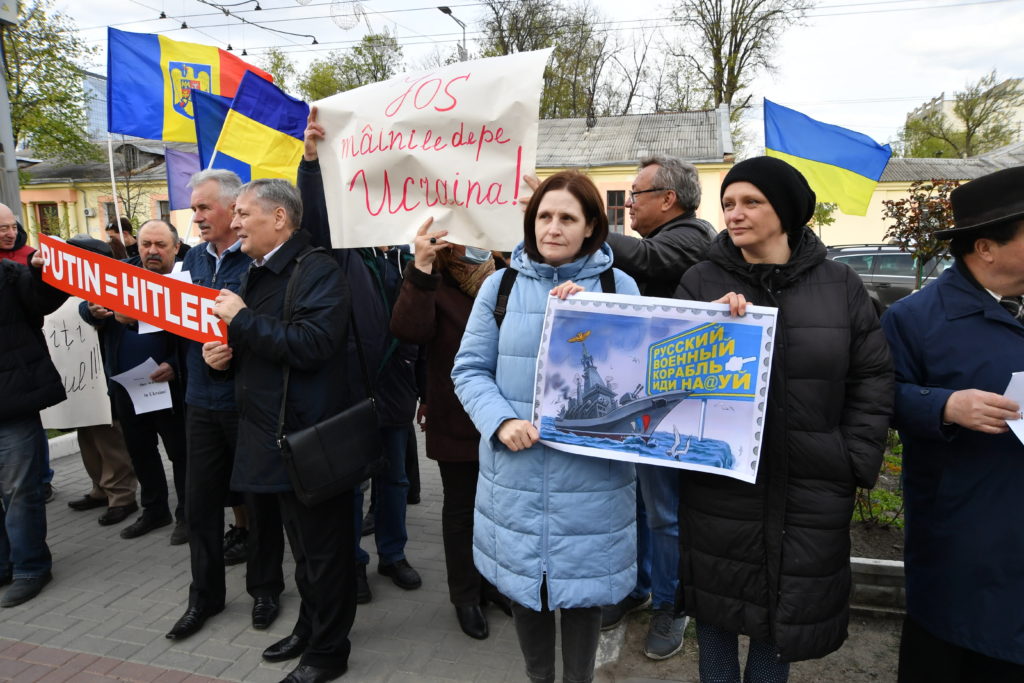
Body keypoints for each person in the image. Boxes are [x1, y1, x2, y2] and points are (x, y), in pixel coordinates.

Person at [673, 156, 893, 682]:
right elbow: (669, 378)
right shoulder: (701, 282)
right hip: (723, 488)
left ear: (787, 212)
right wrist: (710, 330)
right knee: (719, 622)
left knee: (783, 627)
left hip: (811, 485)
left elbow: (873, 378)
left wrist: (853, 457)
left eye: (752, 202)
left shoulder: (840, 285)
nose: (735, 214)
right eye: (728, 203)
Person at [452, 170, 640, 683]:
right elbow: (467, 369)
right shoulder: (501, 283)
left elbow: (642, 367)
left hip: (592, 481)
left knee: (584, 594)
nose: (552, 228)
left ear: (590, 227)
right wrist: (500, 420)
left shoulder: (616, 285)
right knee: (525, 592)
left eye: (566, 218)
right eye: (543, 216)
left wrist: (598, 316)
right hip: (517, 472)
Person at [203, 178, 355, 683]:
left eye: (245, 213)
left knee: (326, 553)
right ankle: (310, 630)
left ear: (280, 219)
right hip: (272, 437)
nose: (236, 222)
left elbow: (312, 344)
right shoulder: (257, 272)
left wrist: (242, 322)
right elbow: (259, 347)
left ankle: (329, 652)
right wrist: (221, 358)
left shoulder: (318, 270)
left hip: (312, 439)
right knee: (303, 549)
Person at [880, 165, 1024, 682]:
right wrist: (943, 405)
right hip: (964, 533)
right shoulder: (916, 319)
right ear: (986, 247)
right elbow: (880, 398)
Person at [300, 108, 422, 602]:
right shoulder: (341, 250)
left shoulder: (407, 253)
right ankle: (353, 561)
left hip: (393, 385)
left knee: (394, 478)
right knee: (351, 481)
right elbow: (315, 217)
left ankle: (393, 555)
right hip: (350, 388)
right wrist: (311, 163)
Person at [600, 155, 715, 659]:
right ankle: (641, 587)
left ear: (668, 199)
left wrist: (585, 224)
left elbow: (645, 262)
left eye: (635, 194)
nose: (627, 203)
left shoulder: (691, 236)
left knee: (665, 511)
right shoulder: (672, 236)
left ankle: (672, 605)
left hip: (673, 400)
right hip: (646, 390)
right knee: (645, 503)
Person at [165, 169, 286, 641]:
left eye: (202, 208)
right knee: (200, 505)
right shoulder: (193, 257)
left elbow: (270, 328)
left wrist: (235, 352)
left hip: (246, 402)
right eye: (193, 208)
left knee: (259, 500)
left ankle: (266, 590)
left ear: (233, 209)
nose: (195, 217)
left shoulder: (258, 260)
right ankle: (205, 597)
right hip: (200, 400)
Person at [389, 220, 511, 640]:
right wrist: (420, 269)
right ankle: (465, 596)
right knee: (461, 510)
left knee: (498, 509)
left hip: (508, 416)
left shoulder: (506, 271)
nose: (470, 239)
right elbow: (409, 331)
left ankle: (494, 585)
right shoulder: (433, 279)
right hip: (456, 412)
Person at [80, 220, 188, 543]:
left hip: (169, 383)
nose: (152, 251)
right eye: (145, 244)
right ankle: (154, 509)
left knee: (181, 453)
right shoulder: (117, 276)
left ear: (175, 247)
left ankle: (188, 514)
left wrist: (175, 364)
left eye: (160, 245)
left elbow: (196, 336)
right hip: (128, 384)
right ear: (136, 245)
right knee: (140, 450)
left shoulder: (184, 279)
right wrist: (93, 310)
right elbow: (87, 311)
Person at [0, 244, 68, 607]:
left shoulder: (11, 276)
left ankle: (31, 567)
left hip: (12, 405)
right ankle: (4, 564)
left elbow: (43, 299)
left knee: (19, 491)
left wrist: (45, 270)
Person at [63, 235, 139, 527]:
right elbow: (81, 310)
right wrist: (88, 311)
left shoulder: (116, 278)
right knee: (89, 433)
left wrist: (97, 313)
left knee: (110, 435)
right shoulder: (72, 281)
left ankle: (121, 495)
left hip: (106, 371)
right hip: (79, 375)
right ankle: (100, 488)